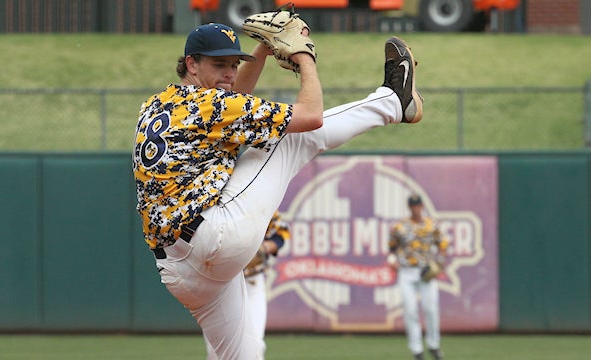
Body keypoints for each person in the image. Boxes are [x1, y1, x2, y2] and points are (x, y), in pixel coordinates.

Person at [132, 14, 423, 359]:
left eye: (234, 64)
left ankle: (392, 102)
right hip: (214, 239)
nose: (229, 73)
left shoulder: (158, 104)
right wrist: (304, 57)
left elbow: (231, 101)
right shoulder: (209, 105)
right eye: (219, 64)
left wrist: (264, 48)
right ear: (192, 64)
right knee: (289, 140)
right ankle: (392, 101)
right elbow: (310, 116)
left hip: (180, 273)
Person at [205, 210, 290, 359]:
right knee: (217, 351)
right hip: (219, 286)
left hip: (251, 283)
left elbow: (281, 232)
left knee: (255, 344)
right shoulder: (213, 204)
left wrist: (264, 248)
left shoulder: (257, 202)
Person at [387, 194, 449, 360]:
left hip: (426, 271)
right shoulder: (400, 227)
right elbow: (392, 247)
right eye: (413, 205)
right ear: (410, 207)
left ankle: (434, 345)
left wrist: (440, 261)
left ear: (422, 206)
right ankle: (417, 350)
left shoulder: (431, 225)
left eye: (418, 205)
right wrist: (392, 260)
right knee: (410, 310)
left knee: (431, 309)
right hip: (406, 271)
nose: (416, 208)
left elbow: (442, 243)